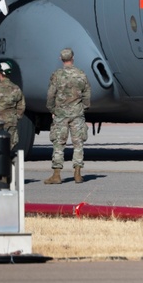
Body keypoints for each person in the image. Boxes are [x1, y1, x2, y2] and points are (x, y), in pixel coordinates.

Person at [43, 48, 91, 184]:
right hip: (77, 113)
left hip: (61, 114)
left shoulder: (57, 75)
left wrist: (52, 109)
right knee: (78, 143)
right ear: (73, 58)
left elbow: (50, 95)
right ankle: (77, 173)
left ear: (61, 59)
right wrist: (83, 107)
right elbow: (87, 94)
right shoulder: (81, 74)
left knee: (58, 143)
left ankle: (56, 175)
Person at [0, 62, 26, 152]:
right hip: (11, 121)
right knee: (10, 145)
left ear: (0, 73)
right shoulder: (16, 88)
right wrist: (16, 117)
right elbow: (21, 105)